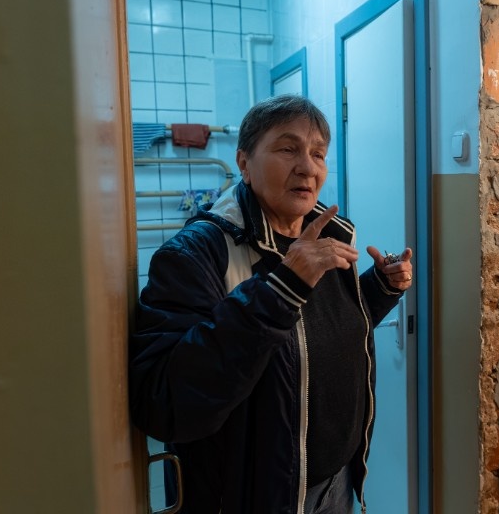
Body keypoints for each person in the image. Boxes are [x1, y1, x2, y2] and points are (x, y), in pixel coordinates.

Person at [129, 94, 413, 514]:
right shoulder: (196, 254)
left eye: (318, 154)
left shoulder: (329, 233)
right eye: (287, 149)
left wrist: (380, 288)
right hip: (256, 495)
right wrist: (281, 287)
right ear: (244, 162)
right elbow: (166, 401)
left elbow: (317, 333)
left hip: (336, 482)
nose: (308, 167)